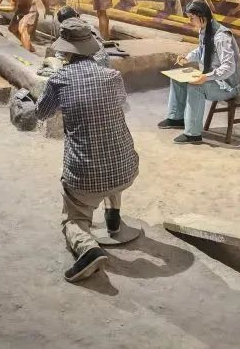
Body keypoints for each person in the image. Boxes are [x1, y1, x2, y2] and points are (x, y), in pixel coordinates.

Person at [35, 18, 139, 283]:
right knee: (110, 149)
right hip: (126, 167)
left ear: (65, 51)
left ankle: (88, 249)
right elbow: (122, 105)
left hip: (86, 177)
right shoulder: (112, 76)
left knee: (73, 219)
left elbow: (42, 113)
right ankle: (113, 217)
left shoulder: (60, 79)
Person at [159, 0, 240, 144]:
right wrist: (187, 58)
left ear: (201, 16)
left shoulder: (222, 36)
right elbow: (201, 50)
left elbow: (229, 67)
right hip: (213, 79)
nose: (190, 21)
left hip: (228, 85)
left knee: (195, 87)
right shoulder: (204, 29)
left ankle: (193, 134)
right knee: (177, 78)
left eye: (191, 18)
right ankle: (176, 118)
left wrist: (205, 77)